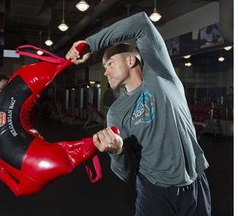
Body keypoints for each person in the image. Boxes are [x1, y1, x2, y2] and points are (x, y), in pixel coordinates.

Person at [66, 12, 211, 215]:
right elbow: (123, 173)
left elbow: (141, 22)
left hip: (195, 184)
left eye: (110, 64)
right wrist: (116, 152)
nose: (106, 72)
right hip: (155, 192)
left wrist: (89, 44)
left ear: (131, 60)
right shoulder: (116, 112)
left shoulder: (161, 75)